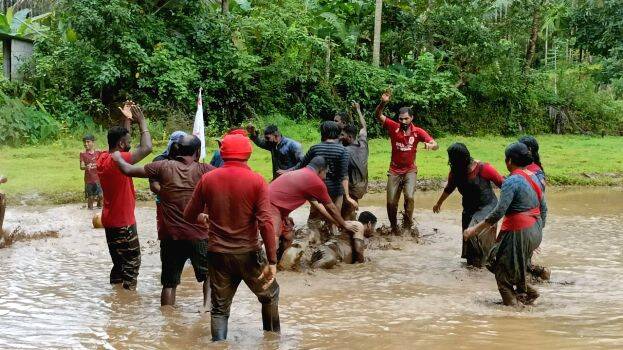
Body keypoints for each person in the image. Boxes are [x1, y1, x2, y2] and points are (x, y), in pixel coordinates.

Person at [183, 134, 279, 341]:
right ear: (248, 154)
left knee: (219, 309)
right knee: (270, 295)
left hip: (218, 254)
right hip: (249, 254)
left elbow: (189, 215)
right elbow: (265, 222)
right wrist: (272, 260)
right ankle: (272, 341)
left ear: (223, 153)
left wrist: (204, 218)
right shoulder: (257, 181)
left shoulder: (208, 179)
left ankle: (218, 344)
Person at [112, 135, 214, 307]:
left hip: (170, 236)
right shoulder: (206, 170)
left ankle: (167, 319)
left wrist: (116, 156)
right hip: (199, 235)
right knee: (210, 278)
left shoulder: (162, 166)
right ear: (197, 152)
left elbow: (128, 170)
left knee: (169, 284)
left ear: (176, 150)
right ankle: (207, 313)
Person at [463, 143, 547, 306]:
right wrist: (535, 233)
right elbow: (544, 208)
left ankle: (513, 311)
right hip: (535, 229)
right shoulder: (535, 177)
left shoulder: (511, 181)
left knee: (501, 276)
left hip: (520, 231)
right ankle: (527, 292)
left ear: (509, 160)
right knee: (494, 259)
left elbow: (499, 212)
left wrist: (474, 230)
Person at [96, 101, 152, 291]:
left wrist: (127, 120)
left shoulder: (103, 157)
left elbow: (122, 142)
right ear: (121, 144)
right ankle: (128, 303)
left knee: (119, 265)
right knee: (132, 264)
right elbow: (147, 148)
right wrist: (142, 123)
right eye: (128, 142)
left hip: (110, 221)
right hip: (123, 224)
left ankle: (116, 302)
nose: (131, 144)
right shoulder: (120, 161)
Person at [268, 156, 358, 260]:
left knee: (288, 236)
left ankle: (281, 265)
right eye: (325, 173)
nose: (325, 177)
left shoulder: (302, 174)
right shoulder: (315, 181)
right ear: (321, 169)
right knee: (273, 239)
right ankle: (269, 268)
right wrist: (344, 223)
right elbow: (331, 208)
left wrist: (338, 223)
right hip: (270, 206)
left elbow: (319, 207)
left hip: (277, 207)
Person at [374, 92, 438, 234]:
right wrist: (383, 103)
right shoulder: (393, 126)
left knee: (409, 196)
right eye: (401, 119)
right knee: (391, 202)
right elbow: (378, 115)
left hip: (410, 170)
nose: (403, 121)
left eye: (406, 119)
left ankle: (408, 227)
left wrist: (431, 145)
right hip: (394, 170)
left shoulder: (418, 132)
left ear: (412, 118)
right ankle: (394, 227)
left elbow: (435, 144)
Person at [433, 143, 504, 267]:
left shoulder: (483, 168)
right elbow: (449, 188)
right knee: (469, 246)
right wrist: (438, 203)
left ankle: (489, 263)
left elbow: (503, 184)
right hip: (469, 208)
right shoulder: (455, 172)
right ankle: (474, 270)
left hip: (488, 206)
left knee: (471, 232)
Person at [293, 121, 358, 231]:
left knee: (314, 219)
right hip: (336, 190)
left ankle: (314, 242)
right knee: (335, 218)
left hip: (317, 189)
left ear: (322, 133)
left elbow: (301, 166)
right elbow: (344, 175)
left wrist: (287, 173)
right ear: (337, 133)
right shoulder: (343, 151)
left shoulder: (315, 148)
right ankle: (333, 241)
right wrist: (347, 196)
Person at [518, 135, 551, 281]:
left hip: (528, 220)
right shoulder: (533, 169)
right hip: (528, 220)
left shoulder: (534, 172)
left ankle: (539, 275)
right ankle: (536, 276)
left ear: (529, 150)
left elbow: (536, 201)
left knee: (521, 257)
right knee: (522, 257)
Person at [150, 131, 187, 238]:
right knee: (166, 236)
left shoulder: (188, 160)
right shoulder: (159, 160)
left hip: (185, 204)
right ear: (171, 144)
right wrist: (170, 195)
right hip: (164, 204)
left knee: (186, 236)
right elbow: (154, 185)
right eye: (177, 145)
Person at [311, 211, 377, 268]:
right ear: (369, 224)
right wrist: (364, 264)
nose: (373, 231)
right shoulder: (359, 225)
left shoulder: (356, 232)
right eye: (373, 227)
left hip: (325, 253)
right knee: (330, 260)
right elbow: (358, 250)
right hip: (327, 252)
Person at [340, 101, 369, 221]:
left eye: (342, 135)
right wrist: (358, 109)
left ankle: (350, 231)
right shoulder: (363, 143)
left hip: (353, 187)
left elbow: (344, 176)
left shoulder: (345, 151)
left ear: (350, 137)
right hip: (363, 185)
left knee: (346, 211)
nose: (340, 136)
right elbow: (363, 127)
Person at [79, 134, 102, 210]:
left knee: (100, 196)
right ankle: (90, 211)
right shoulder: (83, 154)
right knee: (91, 198)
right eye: (84, 142)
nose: (86, 144)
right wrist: (86, 167)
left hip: (98, 179)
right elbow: (81, 167)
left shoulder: (98, 153)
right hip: (89, 180)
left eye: (88, 142)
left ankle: (100, 211)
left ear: (93, 142)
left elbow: (104, 162)